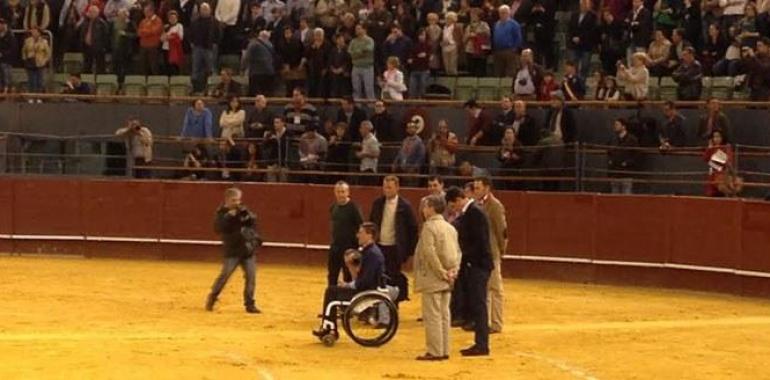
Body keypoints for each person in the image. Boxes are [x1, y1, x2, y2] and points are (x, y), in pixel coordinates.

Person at [312, 222, 385, 338]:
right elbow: (361, 278)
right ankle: (329, 327)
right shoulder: (369, 252)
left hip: (365, 292)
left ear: (369, 235)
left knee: (331, 292)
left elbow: (364, 282)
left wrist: (348, 285)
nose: (357, 235)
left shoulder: (371, 254)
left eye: (361, 233)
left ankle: (329, 328)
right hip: (365, 290)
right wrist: (350, 267)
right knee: (332, 291)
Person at [445, 186, 492, 357]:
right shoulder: (472, 212)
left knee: (479, 304)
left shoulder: (474, 213)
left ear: (458, 199)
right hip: (476, 264)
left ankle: (482, 345)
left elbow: (479, 243)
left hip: (477, 265)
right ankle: (480, 343)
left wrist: (464, 258)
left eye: (452, 205)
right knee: (476, 304)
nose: (453, 209)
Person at [414, 194, 461, 361]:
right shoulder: (450, 228)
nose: (423, 210)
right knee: (444, 314)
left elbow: (429, 253)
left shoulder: (429, 227)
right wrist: (453, 271)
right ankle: (444, 349)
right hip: (448, 277)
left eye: (426, 206)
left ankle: (435, 351)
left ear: (432, 208)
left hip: (434, 277)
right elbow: (458, 253)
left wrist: (441, 272)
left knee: (433, 315)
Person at [205, 187, 262, 314]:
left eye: (238, 200)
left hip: (247, 250)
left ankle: (250, 304)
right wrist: (228, 217)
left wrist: (248, 216)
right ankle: (212, 297)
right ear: (227, 200)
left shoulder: (243, 210)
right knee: (225, 276)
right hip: (232, 250)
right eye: (234, 200)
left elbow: (253, 223)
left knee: (251, 277)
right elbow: (218, 229)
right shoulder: (221, 213)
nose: (237, 202)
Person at [369, 175, 418, 303]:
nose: (386, 190)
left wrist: (410, 252)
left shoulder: (404, 206)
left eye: (389, 188)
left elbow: (412, 229)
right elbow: (372, 224)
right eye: (385, 187)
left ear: (397, 188)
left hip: (395, 248)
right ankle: (378, 308)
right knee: (377, 277)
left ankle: (392, 308)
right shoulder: (378, 203)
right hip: (379, 247)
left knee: (393, 278)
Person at [473, 177, 507, 334]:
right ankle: (483, 322)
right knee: (482, 289)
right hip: (480, 253)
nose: (476, 191)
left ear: (487, 188)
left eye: (478, 188)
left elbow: (501, 231)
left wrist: (501, 250)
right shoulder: (475, 204)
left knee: (495, 289)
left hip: (491, 252)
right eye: (475, 188)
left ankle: (496, 323)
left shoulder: (495, 206)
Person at [328, 181, 363, 286]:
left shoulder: (354, 207)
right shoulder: (333, 207)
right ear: (335, 193)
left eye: (343, 191)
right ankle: (332, 296)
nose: (340, 194)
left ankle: (347, 299)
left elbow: (361, 226)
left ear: (348, 192)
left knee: (348, 275)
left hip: (350, 247)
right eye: (338, 192)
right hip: (335, 246)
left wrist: (359, 245)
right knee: (332, 274)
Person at [608, 118, 639, 194]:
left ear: (623, 126)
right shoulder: (613, 139)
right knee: (614, 197)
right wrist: (610, 161)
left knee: (626, 197)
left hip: (626, 173)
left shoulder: (632, 140)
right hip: (615, 172)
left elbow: (637, 154)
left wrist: (628, 163)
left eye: (617, 125)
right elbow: (609, 151)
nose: (615, 126)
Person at [703, 129, 738, 197]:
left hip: (723, 175)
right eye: (714, 137)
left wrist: (717, 161)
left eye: (718, 137)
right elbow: (705, 159)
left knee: (724, 193)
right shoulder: (712, 147)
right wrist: (709, 149)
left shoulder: (726, 147)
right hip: (712, 174)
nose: (716, 139)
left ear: (722, 137)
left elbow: (728, 161)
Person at [392, 119, 426, 185]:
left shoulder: (419, 142)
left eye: (412, 127)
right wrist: (395, 163)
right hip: (402, 169)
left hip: (412, 170)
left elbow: (421, 157)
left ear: (416, 129)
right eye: (409, 128)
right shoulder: (405, 140)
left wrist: (414, 168)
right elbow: (400, 153)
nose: (410, 129)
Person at [243, 30, 276, 97]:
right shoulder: (270, 45)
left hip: (256, 73)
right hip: (269, 72)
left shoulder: (253, 44)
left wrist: (243, 68)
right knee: (267, 94)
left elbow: (247, 57)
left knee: (255, 94)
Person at [492, 5, 522, 77]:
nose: (502, 14)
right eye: (501, 13)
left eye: (504, 13)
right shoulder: (496, 24)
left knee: (510, 72)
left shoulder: (514, 24)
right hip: (498, 51)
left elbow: (518, 38)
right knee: (498, 72)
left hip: (509, 51)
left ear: (509, 13)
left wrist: (514, 48)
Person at [349, 23, 376, 99]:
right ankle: (357, 106)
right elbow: (350, 52)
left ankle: (371, 106)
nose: (356, 31)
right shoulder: (353, 41)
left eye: (358, 28)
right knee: (356, 89)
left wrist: (357, 52)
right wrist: (361, 52)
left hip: (367, 67)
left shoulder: (369, 40)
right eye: (356, 29)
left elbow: (368, 49)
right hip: (356, 67)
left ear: (364, 30)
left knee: (369, 89)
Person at [22, 26, 50, 99]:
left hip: (40, 63)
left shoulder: (44, 41)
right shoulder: (27, 41)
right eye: (32, 31)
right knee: (31, 81)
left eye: (35, 31)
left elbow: (48, 53)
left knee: (39, 81)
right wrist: (25, 59)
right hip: (30, 63)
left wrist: (44, 60)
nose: (33, 33)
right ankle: (31, 97)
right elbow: (24, 51)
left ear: (39, 33)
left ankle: (39, 97)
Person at [137, 4, 163, 75]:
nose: (144, 13)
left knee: (154, 66)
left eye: (146, 11)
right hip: (143, 46)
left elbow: (155, 31)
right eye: (144, 11)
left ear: (151, 11)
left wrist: (145, 31)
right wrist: (147, 31)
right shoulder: (143, 21)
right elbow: (139, 32)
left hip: (153, 46)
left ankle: (155, 83)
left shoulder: (158, 20)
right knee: (143, 66)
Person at [0, 18, 16, 94]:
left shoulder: (10, 35)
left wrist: (3, 53)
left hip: (7, 60)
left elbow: (13, 48)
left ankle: (9, 92)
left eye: (1, 24)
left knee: (7, 77)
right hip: (1, 60)